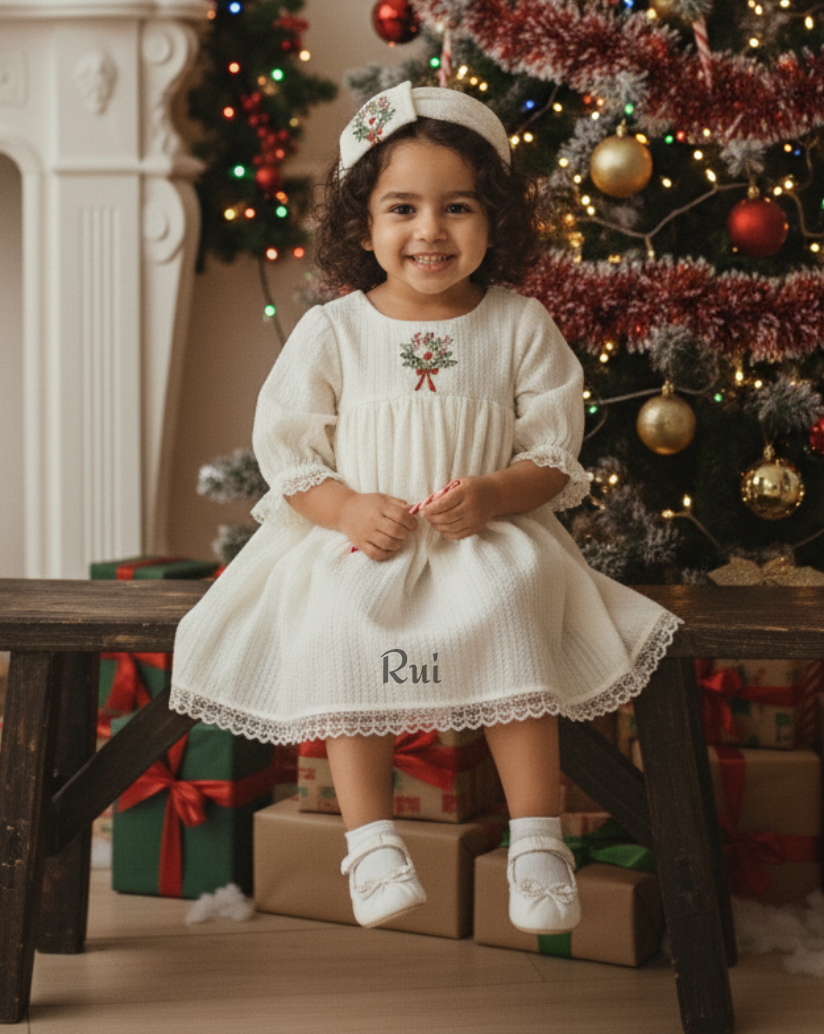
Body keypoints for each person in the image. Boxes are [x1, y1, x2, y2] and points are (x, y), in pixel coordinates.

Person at [169, 81, 680, 934]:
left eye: (458, 207)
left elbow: (552, 456)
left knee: (518, 609)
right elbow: (290, 455)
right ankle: (370, 844)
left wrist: (491, 495)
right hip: (365, 540)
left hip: (487, 537)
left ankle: (538, 840)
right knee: (339, 620)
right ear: (362, 225)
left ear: (496, 221)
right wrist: (343, 510)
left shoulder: (519, 323)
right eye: (401, 207)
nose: (430, 231)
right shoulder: (334, 331)